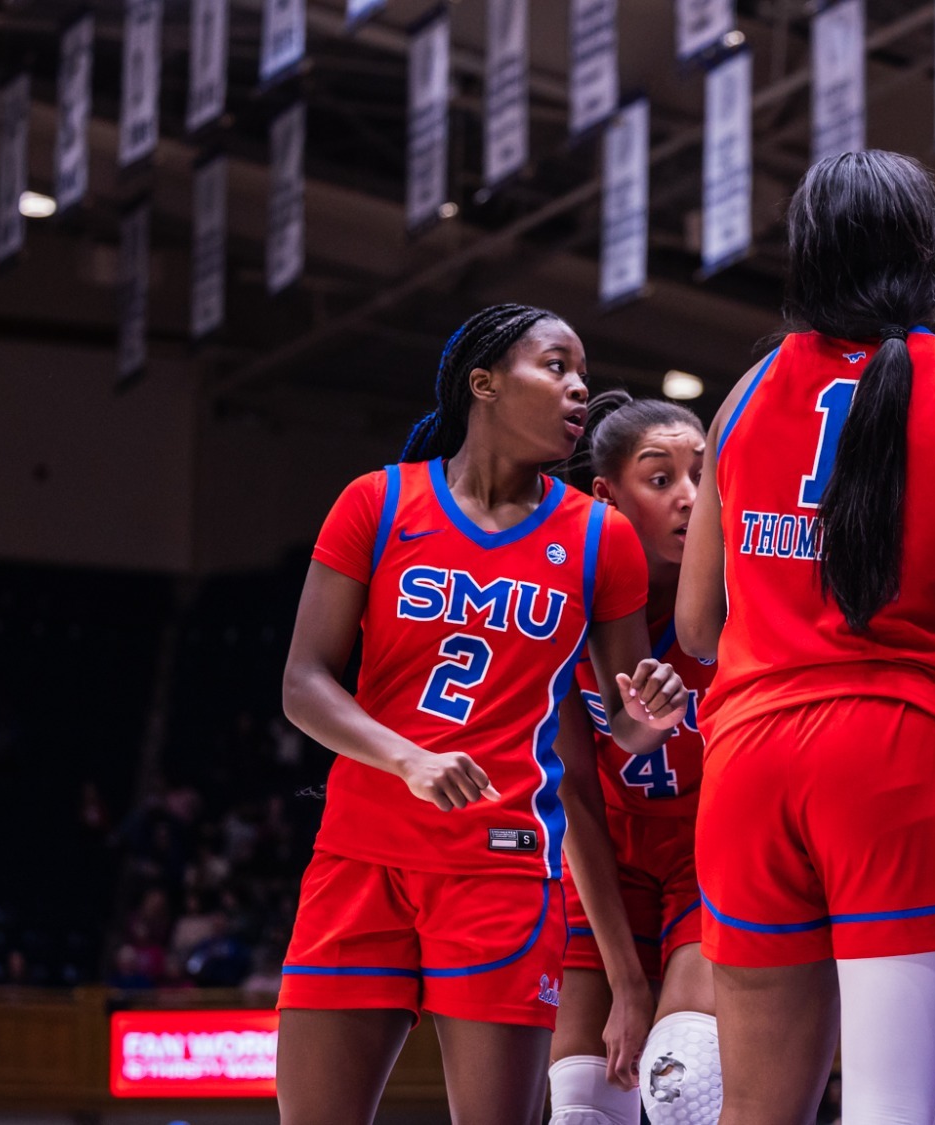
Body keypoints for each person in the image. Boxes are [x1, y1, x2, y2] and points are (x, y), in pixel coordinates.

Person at [676, 150, 935, 1125]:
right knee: (890, 1113)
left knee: (753, 1113)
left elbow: (694, 627)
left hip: (748, 762)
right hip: (894, 760)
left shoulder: (742, 393)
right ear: (928, 251)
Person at [275, 305, 691, 1125]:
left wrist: (651, 720)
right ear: (485, 382)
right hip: (360, 859)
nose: (579, 389)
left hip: (502, 872)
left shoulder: (598, 537)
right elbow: (304, 682)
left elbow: (619, 724)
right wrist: (409, 759)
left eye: (582, 371)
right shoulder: (377, 503)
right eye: (557, 366)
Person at [549, 393, 721, 1125]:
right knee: (583, 1112)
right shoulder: (560, 602)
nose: (688, 498)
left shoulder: (736, 597)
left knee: (684, 1092)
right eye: (660, 479)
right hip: (606, 860)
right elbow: (577, 799)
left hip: (710, 856)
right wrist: (626, 984)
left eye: (701, 476)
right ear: (606, 495)